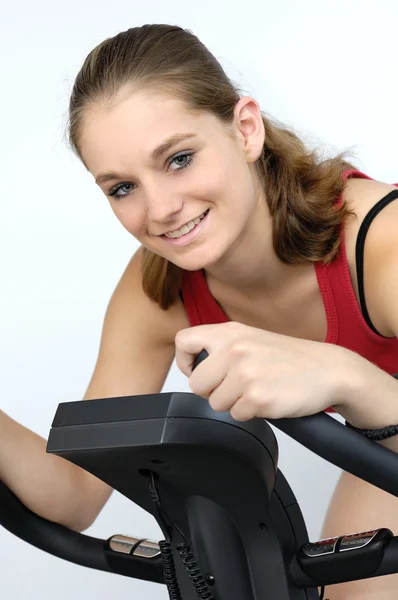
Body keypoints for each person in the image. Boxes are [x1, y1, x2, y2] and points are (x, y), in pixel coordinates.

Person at [1, 23, 398, 599]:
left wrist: (347, 377)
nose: (159, 209)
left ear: (245, 129)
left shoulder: (380, 246)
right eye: (121, 188)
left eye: (179, 159)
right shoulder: (157, 289)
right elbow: (74, 496)